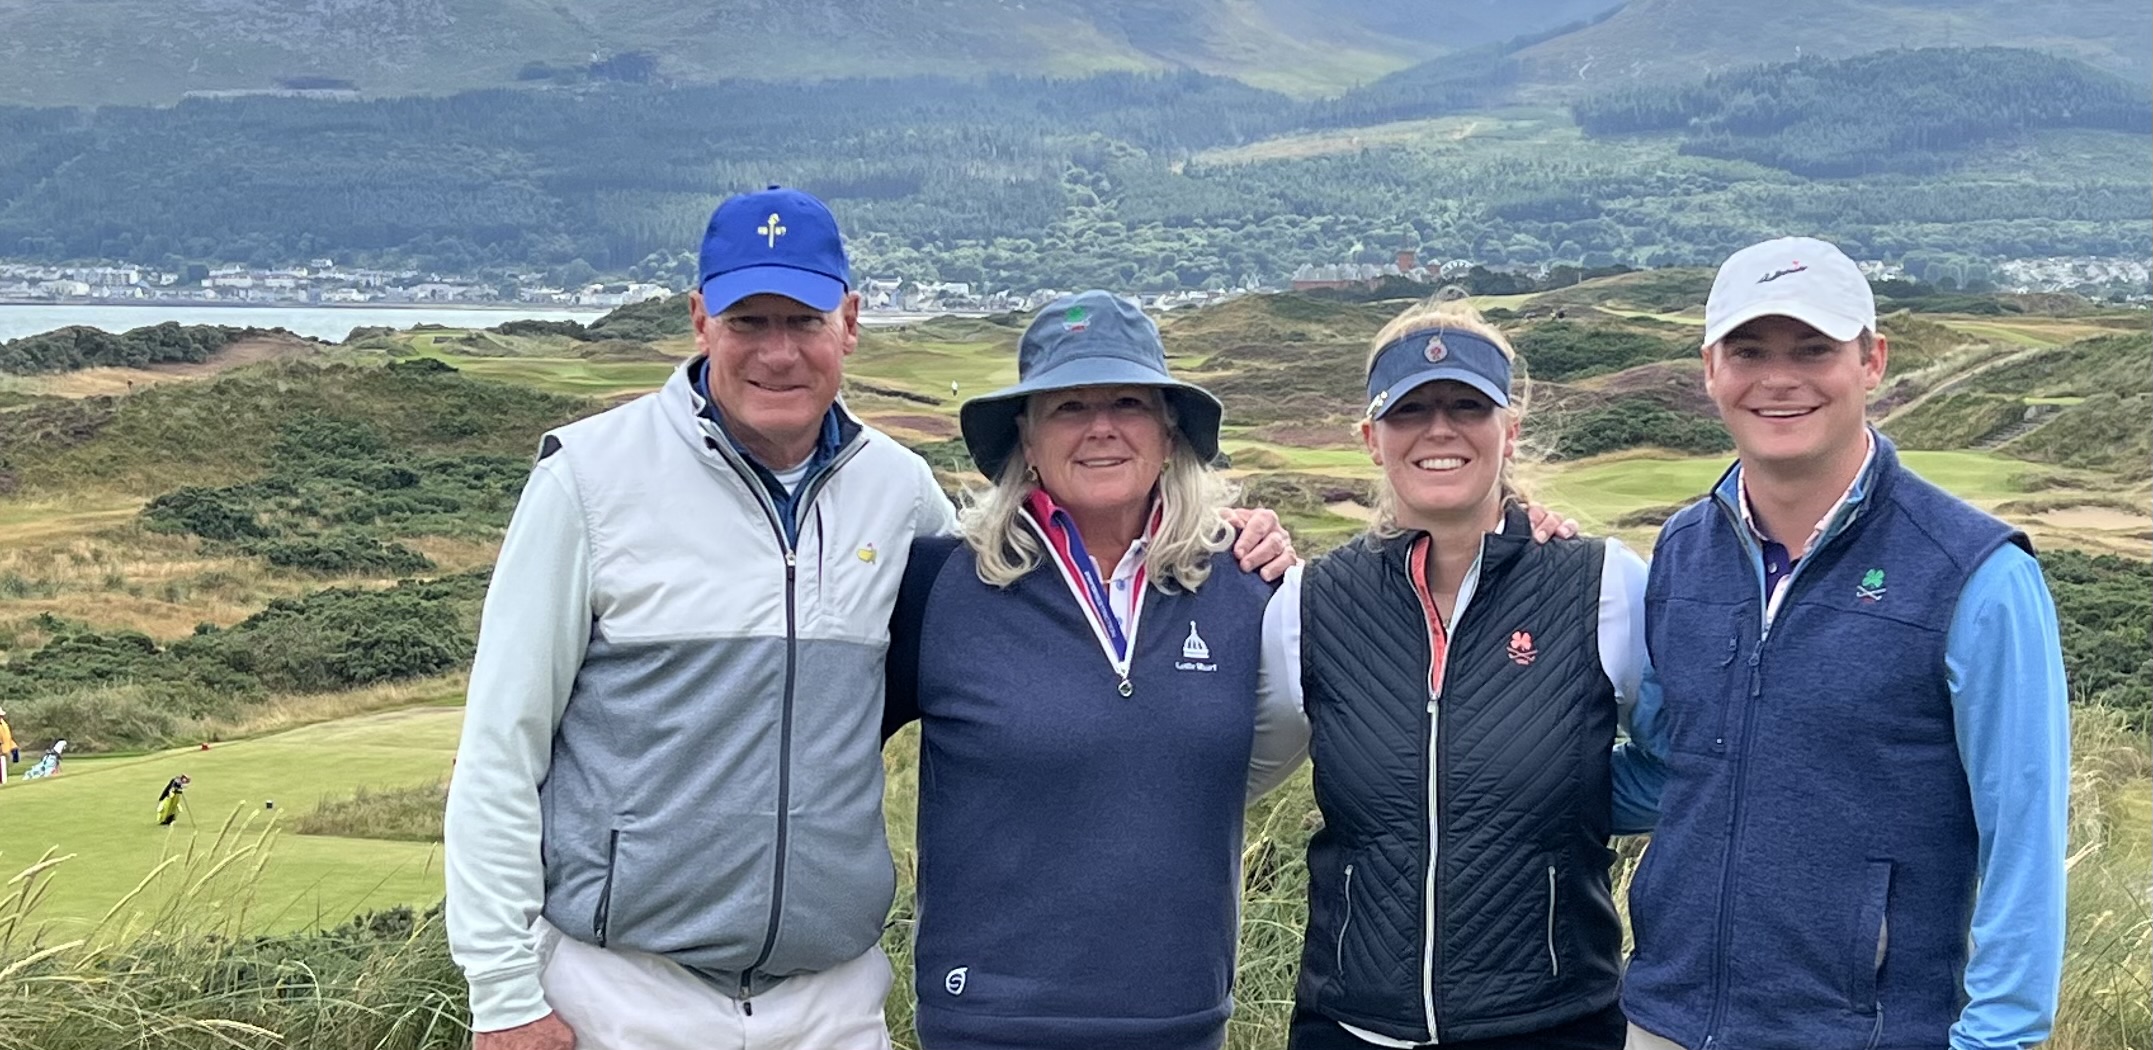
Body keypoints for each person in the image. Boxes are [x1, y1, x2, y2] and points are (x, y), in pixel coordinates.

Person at [443, 189, 1295, 1050]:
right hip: (620, 987)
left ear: (848, 323)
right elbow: (501, 745)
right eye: (748, 320)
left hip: (830, 1001)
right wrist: (504, 991)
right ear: (700, 320)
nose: (778, 352)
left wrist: (1243, 541)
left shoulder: (897, 495)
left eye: (803, 320)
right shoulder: (587, 480)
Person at [1615, 237, 2070, 1050]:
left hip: (1866, 1033)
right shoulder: (1681, 550)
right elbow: (1664, 769)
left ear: (1871, 361)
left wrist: (1999, 1039)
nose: (1778, 378)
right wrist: (1464, 783)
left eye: (1814, 349)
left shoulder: (1977, 574)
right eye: (1748, 350)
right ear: (1709, 368)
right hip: (1664, 1022)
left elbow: (2023, 835)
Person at [883, 290, 1308, 1050]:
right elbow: (815, 744)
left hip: (1178, 1022)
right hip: (985, 1024)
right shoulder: (937, 585)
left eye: (1127, 403)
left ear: (1168, 430)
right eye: (1069, 406)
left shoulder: (1249, 583)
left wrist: (1531, 535)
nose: (1101, 427)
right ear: (1027, 437)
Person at [1271, 300, 1651, 1050]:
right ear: (1370, 439)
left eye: (1466, 406)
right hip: (1351, 1026)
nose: (1438, 429)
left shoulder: (1603, 585)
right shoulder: (1307, 601)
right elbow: (1236, 765)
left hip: (1554, 1025)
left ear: (1508, 430)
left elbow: (1680, 762)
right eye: (1409, 410)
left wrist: (1577, 797)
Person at [0, 708, 16, 786]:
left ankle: (3, 783)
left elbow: (7, 737)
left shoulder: (3, 724)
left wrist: (13, 746)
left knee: (3, 767)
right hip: (1, 749)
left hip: (4, 749)